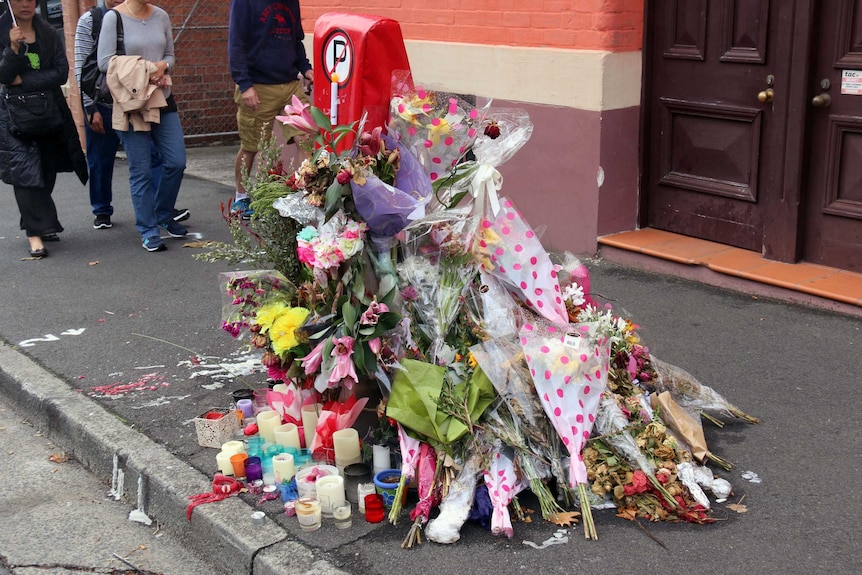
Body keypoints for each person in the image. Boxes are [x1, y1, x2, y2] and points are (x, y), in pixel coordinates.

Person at [74, 0, 189, 231]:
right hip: (130, 101)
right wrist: (90, 108)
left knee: (175, 162)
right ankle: (141, 227)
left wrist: (162, 67)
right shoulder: (109, 18)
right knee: (135, 168)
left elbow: (170, 55)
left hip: (161, 97)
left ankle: (163, 213)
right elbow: (102, 63)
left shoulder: (161, 16)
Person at [0, 0, 88, 258]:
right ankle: (35, 234)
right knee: (25, 171)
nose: (26, 4)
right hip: (14, 115)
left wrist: (24, 80)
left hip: (48, 111)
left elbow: (61, 72)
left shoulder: (48, 32)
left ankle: (33, 220)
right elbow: (4, 77)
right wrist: (13, 48)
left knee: (47, 169)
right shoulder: (2, 31)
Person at [228, 0, 314, 219]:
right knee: (251, 145)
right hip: (258, 85)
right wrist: (245, 85)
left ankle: (303, 192)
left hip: (290, 84)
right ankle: (241, 197)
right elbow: (236, 43)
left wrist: (305, 68)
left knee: (304, 137)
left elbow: (296, 40)